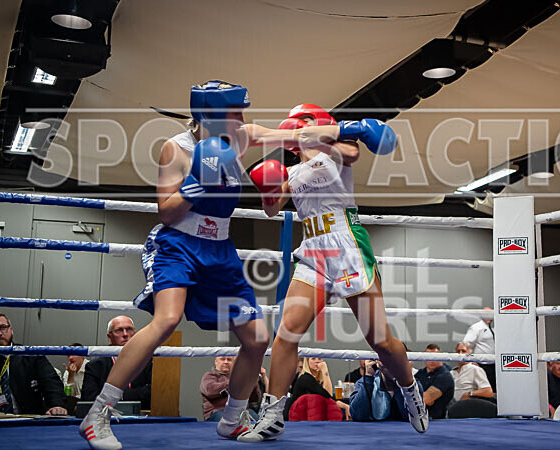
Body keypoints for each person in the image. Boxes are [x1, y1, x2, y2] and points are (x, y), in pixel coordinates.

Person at [83, 81, 351, 448]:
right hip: (179, 244)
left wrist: (352, 129)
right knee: (166, 320)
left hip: (219, 249)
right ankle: (98, 414)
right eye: (235, 112)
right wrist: (197, 182)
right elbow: (166, 210)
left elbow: (295, 132)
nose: (242, 118)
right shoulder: (176, 149)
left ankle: (231, 418)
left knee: (257, 337)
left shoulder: (239, 137)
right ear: (211, 116)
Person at [237, 103, 427, 442]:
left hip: (347, 243)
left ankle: (409, 386)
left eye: (303, 122)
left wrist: (310, 134)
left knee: (380, 341)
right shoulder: (291, 171)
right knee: (287, 332)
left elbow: (352, 152)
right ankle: (273, 415)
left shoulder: (339, 148)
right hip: (313, 247)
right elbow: (271, 209)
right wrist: (266, 185)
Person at [81, 316, 152, 410]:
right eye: (119, 330)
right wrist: (134, 394)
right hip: (105, 417)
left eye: (129, 329)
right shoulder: (95, 366)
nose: (125, 334)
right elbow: (89, 398)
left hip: (143, 416)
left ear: (134, 333)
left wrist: (117, 396)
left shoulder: (147, 361)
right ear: (109, 337)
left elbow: (153, 392)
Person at [201, 356, 265, 422]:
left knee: (260, 424)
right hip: (219, 411)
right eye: (222, 359)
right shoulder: (209, 376)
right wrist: (236, 382)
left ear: (234, 362)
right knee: (230, 423)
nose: (226, 362)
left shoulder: (241, 377)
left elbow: (255, 398)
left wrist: (253, 380)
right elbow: (209, 391)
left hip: (242, 411)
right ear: (216, 361)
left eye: (229, 360)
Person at [350, 359, 415, 422]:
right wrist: (368, 377)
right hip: (373, 431)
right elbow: (357, 415)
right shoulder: (365, 382)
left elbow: (412, 417)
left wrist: (398, 381)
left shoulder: (413, 384)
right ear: (377, 362)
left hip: (404, 431)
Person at [413, 344, 455, 420]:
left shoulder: (445, 376)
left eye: (434, 357)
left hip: (436, 419)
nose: (431, 360)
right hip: (418, 417)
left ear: (441, 358)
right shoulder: (420, 373)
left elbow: (425, 399)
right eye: (428, 357)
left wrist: (417, 397)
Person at [461, 306, 496, 390]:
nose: (489, 315)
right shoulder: (476, 327)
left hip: (493, 364)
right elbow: (465, 344)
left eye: (491, 313)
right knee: (483, 389)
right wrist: (471, 360)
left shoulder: (493, 328)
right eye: (486, 313)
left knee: (493, 389)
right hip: (482, 364)